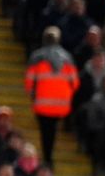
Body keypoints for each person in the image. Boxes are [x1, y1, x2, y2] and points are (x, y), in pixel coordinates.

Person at [24, 26, 80, 166]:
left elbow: (29, 81)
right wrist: (65, 95)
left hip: (42, 103)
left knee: (45, 131)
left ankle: (47, 157)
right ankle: (49, 157)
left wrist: (33, 95)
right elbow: (75, 82)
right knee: (53, 131)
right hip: (61, 104)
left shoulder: (36, 57)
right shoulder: (67, 58)